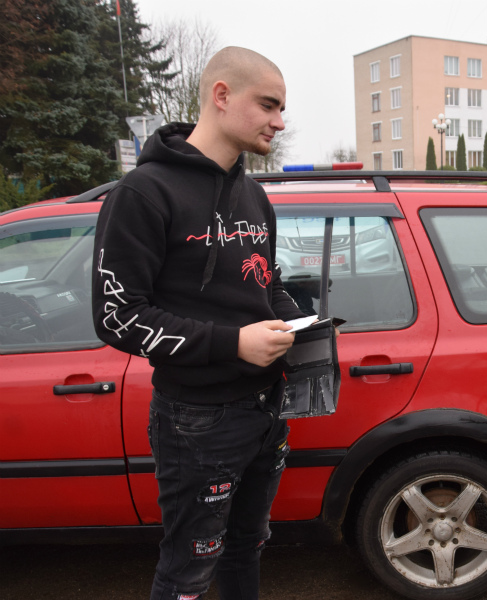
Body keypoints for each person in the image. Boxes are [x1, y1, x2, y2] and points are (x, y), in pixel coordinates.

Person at [92, 47, 305, 600]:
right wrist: (233, 342)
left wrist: (298, 324)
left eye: (282, 109)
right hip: (197, 421)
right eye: (269, 105)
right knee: (188, 570)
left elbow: (266, 284)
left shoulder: (254, 194)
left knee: (247, 547)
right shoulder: (142, 193)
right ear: (221, 95)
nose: (279, 122)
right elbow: (117, 315)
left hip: (265, 411)